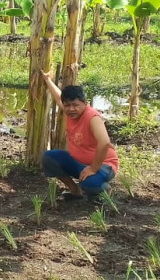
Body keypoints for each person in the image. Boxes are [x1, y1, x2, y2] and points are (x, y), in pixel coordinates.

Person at [40, 72, 119, 202]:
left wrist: (93, 168)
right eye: (67, 105)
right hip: (79, 163)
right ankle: (75, 191)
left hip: (103, 165)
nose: (71, 109)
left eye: (75, 105)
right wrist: (48, 80)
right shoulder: (70, 112)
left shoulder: (92, 117)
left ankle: (105, 190)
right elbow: (59, 97)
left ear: (84, 103)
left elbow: (104, 142)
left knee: (89, 184)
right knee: (49, 157)